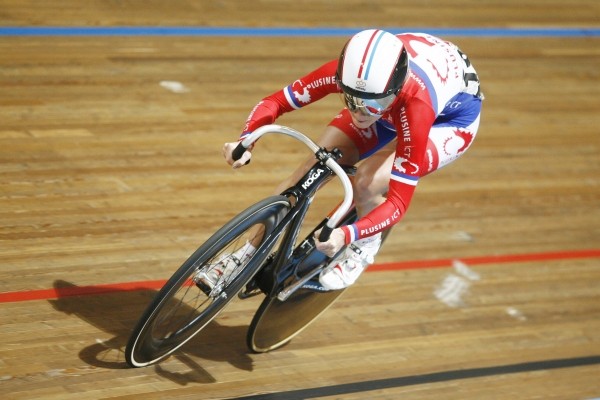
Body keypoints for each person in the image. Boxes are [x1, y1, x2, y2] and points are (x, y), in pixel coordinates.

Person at [200, 29, 483, 292]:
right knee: (308, 171)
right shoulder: (351, 78)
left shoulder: (417, 105)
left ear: (395, 90)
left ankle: (365, 247)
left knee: (368, 182)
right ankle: (243, 255)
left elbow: (398, 202)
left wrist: (348, 235)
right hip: (392, 97)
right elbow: (275, 102)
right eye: (350, 99)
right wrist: (246, 139)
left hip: (448, 121)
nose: (360, 113)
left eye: (370, 105)